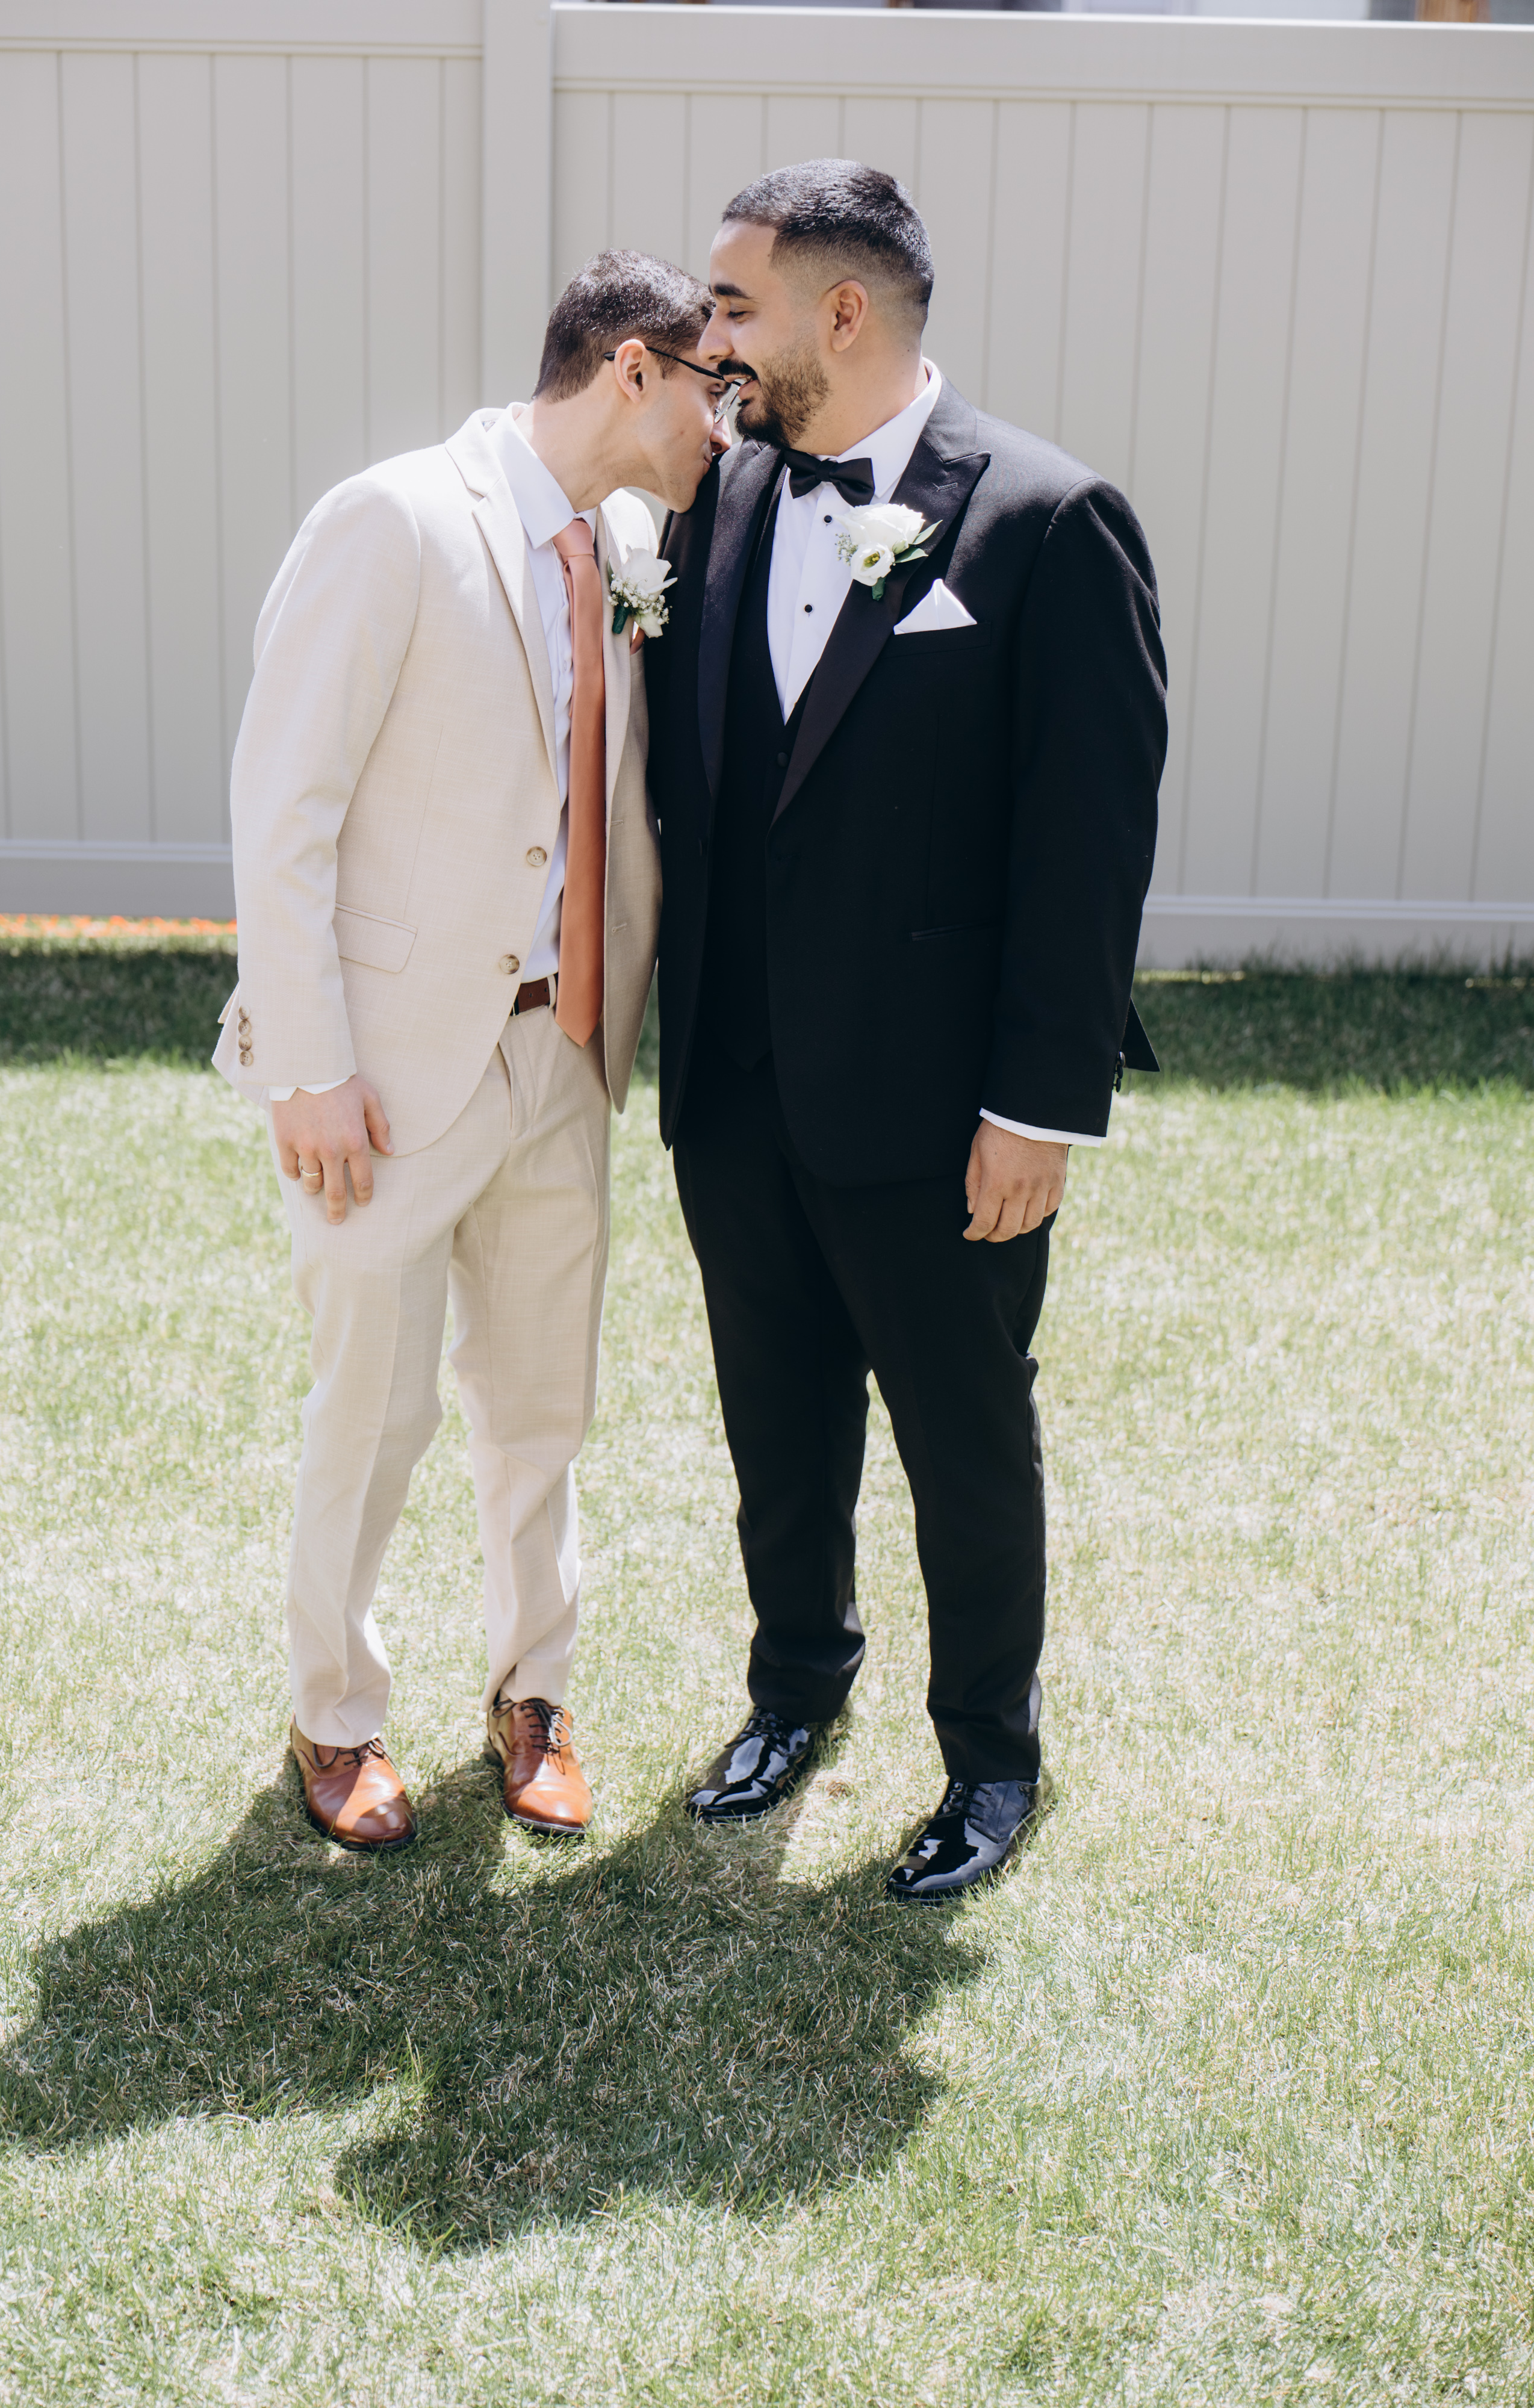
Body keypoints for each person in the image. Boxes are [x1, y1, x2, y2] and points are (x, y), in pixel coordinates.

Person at [644, 162, 1166, 1902]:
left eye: (734, 304)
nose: (711, 334)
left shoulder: (1047, 521)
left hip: (942, 1108)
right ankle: (794, 1691)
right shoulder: (719, 497)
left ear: (842, 311)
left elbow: (1087, 848)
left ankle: (990, 1757)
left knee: (964, 1437)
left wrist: (1038, 1107)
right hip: (737, 1082)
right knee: (774, 1425)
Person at [215, 251, 729, 1849]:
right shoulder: (393, 519)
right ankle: (334, 1715)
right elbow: (282, 807)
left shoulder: (625, 547)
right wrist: (307, 1066)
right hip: (382, 1068)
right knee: (371, 1419)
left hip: (562, 1053)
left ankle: (534, 1695)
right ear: (634, 369)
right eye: (712, 390)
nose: (727, 425)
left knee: (541, 1409)